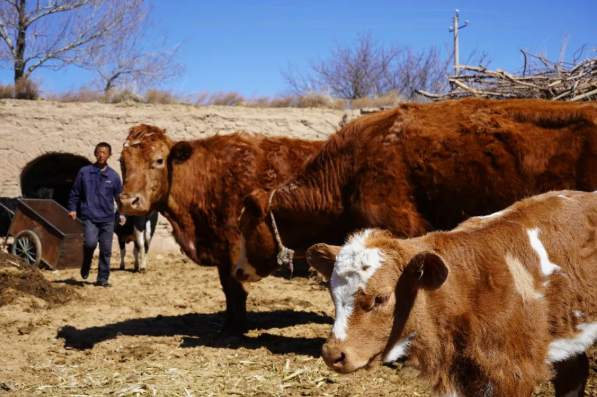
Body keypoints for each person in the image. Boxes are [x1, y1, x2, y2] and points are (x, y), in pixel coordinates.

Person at [67, 142, 125, 287]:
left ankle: (102, 279)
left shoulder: (114, 176)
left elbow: (119, 198)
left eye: (104, 153)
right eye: (99, 152)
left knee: (106, 250)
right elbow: (75, 192)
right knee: (90, 243)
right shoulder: (84, 172)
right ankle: (86, 263)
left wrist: (123, 214)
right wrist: (72, 208)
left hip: (108, 218)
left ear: (109, 155)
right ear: (95, 154)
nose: (101, 155)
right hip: (89, 216)